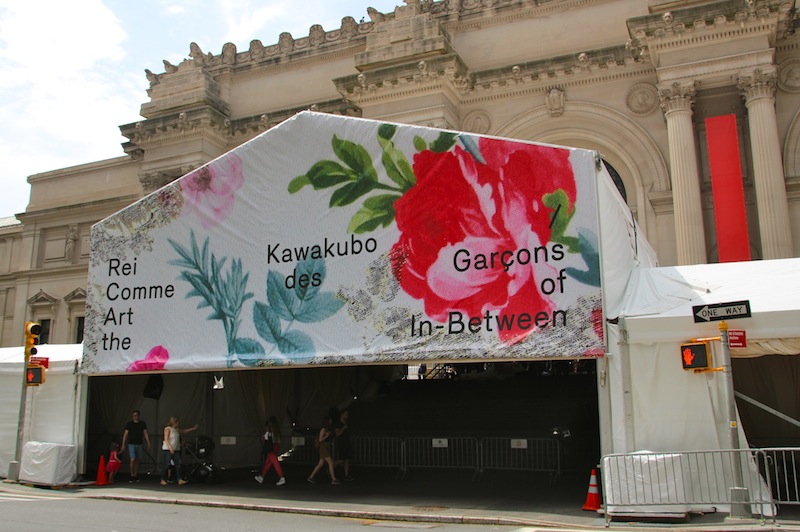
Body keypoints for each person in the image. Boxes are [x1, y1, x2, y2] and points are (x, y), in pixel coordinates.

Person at [160, 416, 198, 486]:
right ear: (175, 422)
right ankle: (162, 479)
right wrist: (170, 447)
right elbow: (166, 439)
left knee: (178, 464)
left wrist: (192, 429)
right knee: (166, 465)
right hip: (167, 449)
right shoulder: (168, 429)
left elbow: (183, 431)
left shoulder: (176, 429)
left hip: (176, 449)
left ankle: (179, 479)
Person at [307, 416, 339, 485]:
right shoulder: (323, 429)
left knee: (320, 464)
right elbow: (320, 440)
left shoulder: (327, 429)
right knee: (330, 462)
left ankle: (311, 477)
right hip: (323, 447)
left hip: (325, 446)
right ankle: (333, 479)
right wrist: (326, 436)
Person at [120, 410, 151, 482]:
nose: (135, 417)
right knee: (132, 459)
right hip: (131, 443)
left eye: (136, 415)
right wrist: (123, 444)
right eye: (134, 415)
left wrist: (148, 442)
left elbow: (145, 433)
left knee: (138, 460)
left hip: (139, 443)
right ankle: (131, 474)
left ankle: (135, 474)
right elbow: (125, 434)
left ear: (139, 416)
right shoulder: (129, 424)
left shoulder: (142, 424)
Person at [255, 416, 286, 486]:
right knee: (268, 463)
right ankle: (262, 477)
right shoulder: (277, 430)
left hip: (271, 447)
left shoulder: (269, 431)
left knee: (274, 463)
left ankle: (281, 477)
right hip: (276, 446)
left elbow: (264, 439)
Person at [334, 409, 354, 481]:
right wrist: (343, 428)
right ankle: (331, 466)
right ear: (341, 414)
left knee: (347, 459)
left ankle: (346, 475)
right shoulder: (338, 423)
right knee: (341, 459)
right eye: (345, 414)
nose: (347, 415)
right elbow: (337, 434)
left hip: (347, 442)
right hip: (341, 443)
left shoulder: (347, 422)